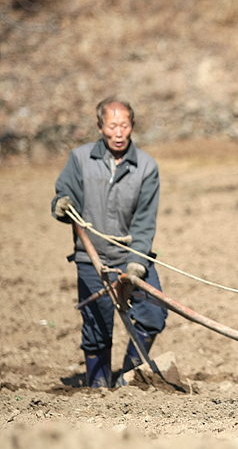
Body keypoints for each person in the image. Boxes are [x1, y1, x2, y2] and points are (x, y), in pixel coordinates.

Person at [51, 97, 167, 388]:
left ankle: (128, 378)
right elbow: (65, 196)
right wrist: (61, 205)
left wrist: (137, 264)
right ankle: (98, 386)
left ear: (133, 127)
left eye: (124, 126)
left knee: (153, 313)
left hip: (132, 255)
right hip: (92, 258)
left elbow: (144, 221)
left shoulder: (146, 167)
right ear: (100, 126)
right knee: (97, 327)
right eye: (112, 125)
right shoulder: (79, 159)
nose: (118, 133)